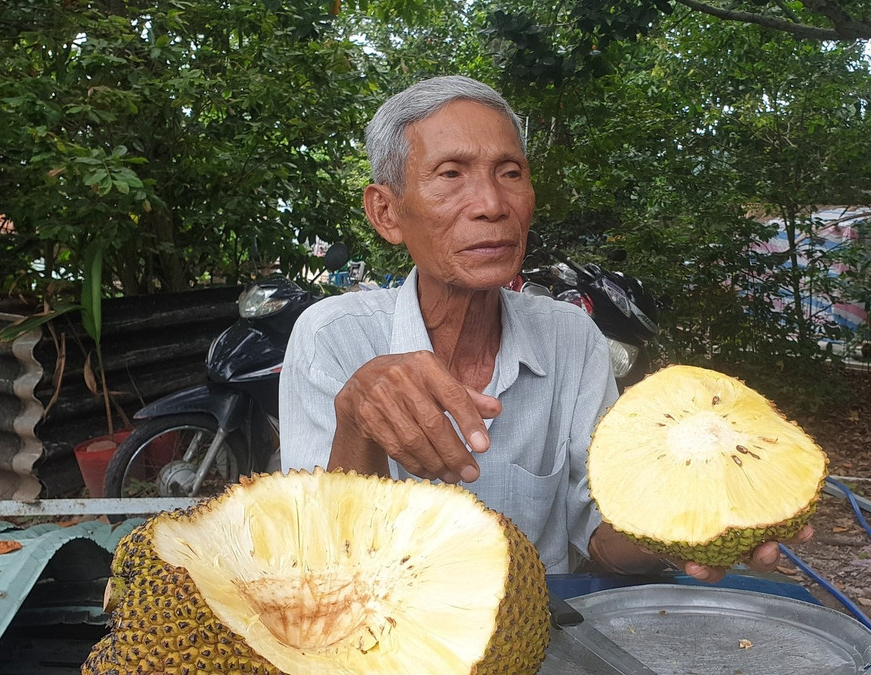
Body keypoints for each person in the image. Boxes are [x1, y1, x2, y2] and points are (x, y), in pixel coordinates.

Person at [279, 75, 811, 581]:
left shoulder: (570, 336)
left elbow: (601, 538)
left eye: (510, 172)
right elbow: (320, 564)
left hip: (545, 633)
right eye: (450, 174)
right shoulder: (332, 337)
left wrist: (685, 527)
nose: (492, 205)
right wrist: (357, 421)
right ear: (387, 212)